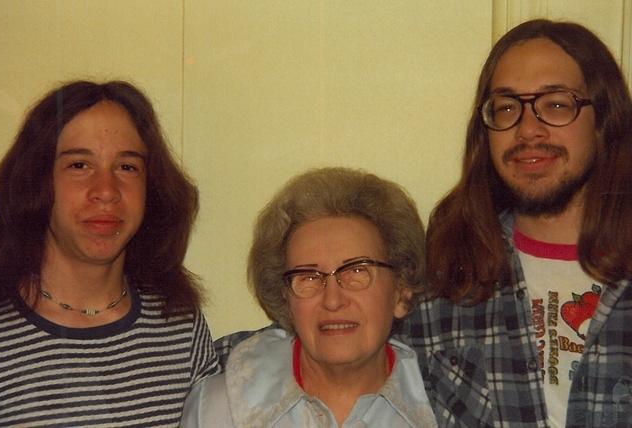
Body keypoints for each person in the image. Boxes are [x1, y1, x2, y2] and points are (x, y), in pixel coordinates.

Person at [401, 19, 632, 427]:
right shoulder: (441, 286)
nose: (527, 129)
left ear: (603, 120)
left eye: (556, 104)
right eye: (507, 107)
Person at [0, 80, 219, 427]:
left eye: (127, 167)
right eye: (79, 165)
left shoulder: (179, 326)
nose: (106, 191)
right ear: (37, 182)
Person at [181, 167, 437, 427]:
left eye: (357, 271)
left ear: (402, 290)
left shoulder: (442, 405)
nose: (333, 300)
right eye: (308, 277)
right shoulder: (218, 409)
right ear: (286, 300)